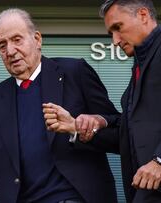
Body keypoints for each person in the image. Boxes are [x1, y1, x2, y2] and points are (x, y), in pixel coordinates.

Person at [0, 8, 119, 203]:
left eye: (17, 40)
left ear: (37, 39)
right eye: (2, 45)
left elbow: (118, 134)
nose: (10, 51)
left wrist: (77, 130)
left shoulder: (74, 73)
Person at [44, 0, 161, 202]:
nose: (115, 40)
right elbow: (128, 135)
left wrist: (159, 160)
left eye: (118, 27)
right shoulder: (139, 67)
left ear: (143, 15)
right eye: (110, 33)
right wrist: (78, 126)